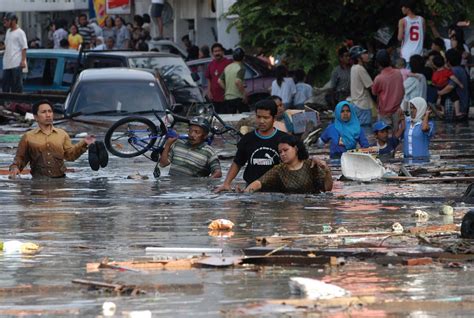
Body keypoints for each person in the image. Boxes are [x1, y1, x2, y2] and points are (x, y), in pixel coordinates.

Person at [8, 100, 96, 179]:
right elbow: (20, 158)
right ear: (35, 117)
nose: (48, 115)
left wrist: (84, 142)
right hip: (38, 183)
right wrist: (15, 168)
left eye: (50, 111)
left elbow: (70, 156)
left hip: (60, 181)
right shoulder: (28, 137)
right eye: (43, 112)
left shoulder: (62, 134)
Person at [214, 100, 288, 192]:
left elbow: (292, 163)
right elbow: (238, 162)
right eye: (258, 117)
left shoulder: (284, 139)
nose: (261, 121)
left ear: (274, 118)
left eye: (266, 117)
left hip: (276, 189)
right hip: (250, 189)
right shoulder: (248, 139)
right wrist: (226, 183)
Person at [244, 134, 333, 194]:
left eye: (286, 150)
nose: (282, 154)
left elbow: (327, 189)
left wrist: (327, 171)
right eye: (280, 152)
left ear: (296, 148)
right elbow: (259, 182)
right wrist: (245, 193)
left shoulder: (311, 165)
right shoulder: (279, 169)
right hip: (289, 207)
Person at [158, 117, 222, 178]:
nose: (192, 135)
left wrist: (204, 183)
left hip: (192, 188)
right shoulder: (178, 144)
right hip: (173, 186)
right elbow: (163, 164)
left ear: (205, 135)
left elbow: (218, 173)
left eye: (196, 132)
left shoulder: (209, 152)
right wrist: (168, 145)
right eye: (190, 131)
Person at [372, 49, 404, 130]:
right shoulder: (398, 73)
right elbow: (402, 91)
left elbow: (374, 92)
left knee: (384, 138)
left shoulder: (379, 78)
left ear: (378, 63)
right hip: (397, 110)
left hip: (384, 113)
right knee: (397, 137)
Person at [437, 49, 469, 119]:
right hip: (464, 105)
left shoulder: (454, 70)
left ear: (448, 61)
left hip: (459, 106)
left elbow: (450, 87)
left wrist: (439, 93)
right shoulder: (461, 69)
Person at [2, 12, 28, 93]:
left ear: (13, 21)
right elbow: (7, 45)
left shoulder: (20, 32)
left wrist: (23, 61)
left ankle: (17, 104)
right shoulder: (8, 32)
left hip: (16, 64)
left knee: (16, 87)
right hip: (7, 63)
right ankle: (5, 104)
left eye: (7, 21)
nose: (5, 23)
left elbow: (24, 47)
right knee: (5, 86)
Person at [349, 45, 375, 125]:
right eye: (364, 54)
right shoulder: (360, 68)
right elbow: (371, 86)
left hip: (356, 103)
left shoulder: (353, 68)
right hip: (363, 104)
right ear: (358, 58)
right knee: (366, 131)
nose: (366, 55)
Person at [218, 47, 247, 114]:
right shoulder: (241, 67)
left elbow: (219, 81)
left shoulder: (227, 67)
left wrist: (227, 89)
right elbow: (238, 81)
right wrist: (244, 94)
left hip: (228, 98)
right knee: (244, 117)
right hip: (238, 97)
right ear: (243, 58)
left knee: (231, 118)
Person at [205, 43, 232, 112]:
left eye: (219, 51)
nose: (217, 53)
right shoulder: (211, 64)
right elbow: (209, 79)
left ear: (222, 52)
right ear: (212, 53)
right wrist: (209, 91)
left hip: (226, 97)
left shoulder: (228, 63)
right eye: (215, 51)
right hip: (214, 97)